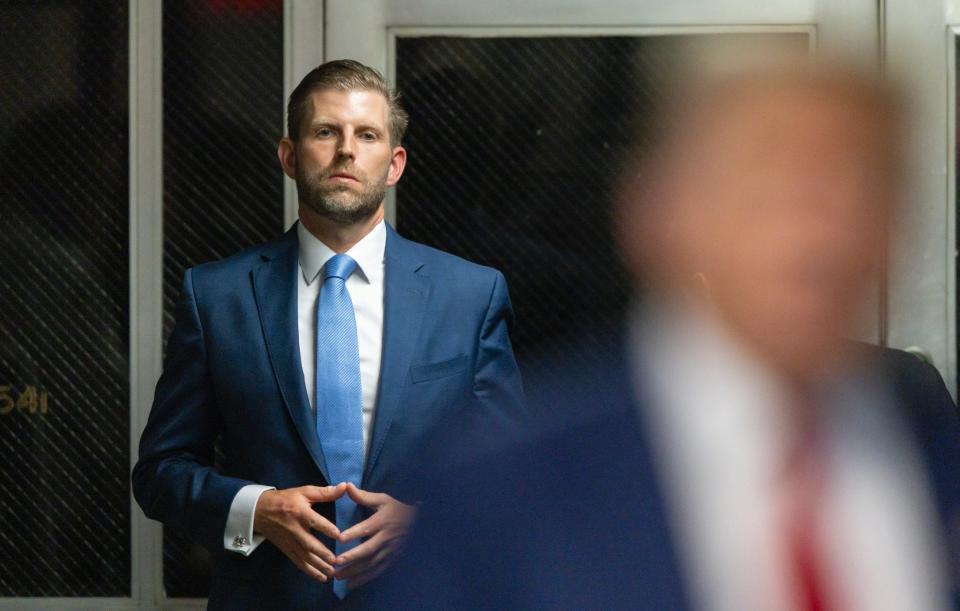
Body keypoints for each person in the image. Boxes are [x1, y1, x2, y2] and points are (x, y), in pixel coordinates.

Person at [370, 60, 960, 610]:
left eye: (858, 186)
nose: (816, 231)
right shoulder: (498, 490)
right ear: (659, 214)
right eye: (768, 188)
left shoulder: (926, 434)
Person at [132, 59, 525, 610]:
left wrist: (427, 520)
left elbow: (515, 472)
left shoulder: (469, 296)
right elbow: (160, 472)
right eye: (325, 132)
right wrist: (257, 508)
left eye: (366, 135)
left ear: (394, 164)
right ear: (289, 157)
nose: (346, 150)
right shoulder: (217, 296)